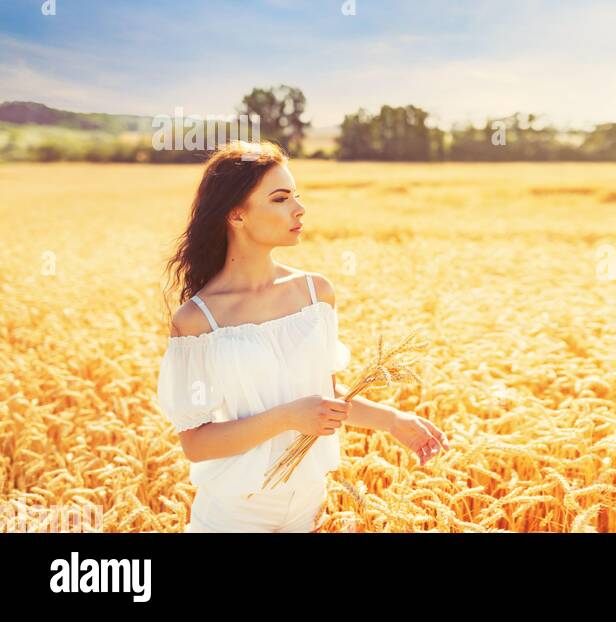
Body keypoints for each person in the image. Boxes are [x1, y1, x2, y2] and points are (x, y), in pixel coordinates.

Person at [157, 140, 449, 532]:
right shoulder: (198, 320)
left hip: (308, 503)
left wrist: (393, 421)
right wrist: (288, 417)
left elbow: (325, 398)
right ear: (236, 214)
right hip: (235, 514)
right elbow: (196, 443)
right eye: (279, 198)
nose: (299, 208)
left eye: (296, 195)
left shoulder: (316, 294)